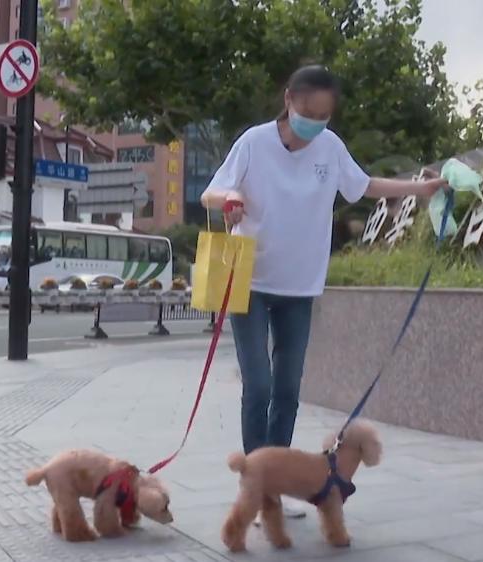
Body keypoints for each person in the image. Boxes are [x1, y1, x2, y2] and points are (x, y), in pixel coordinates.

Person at [200, 65, 447, 518]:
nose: (315, 123)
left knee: (289, 389)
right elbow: (212, 194)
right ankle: (256, 486)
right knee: (259, 385)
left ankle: (275, 480)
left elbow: (365, 185)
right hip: (249, 281)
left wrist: (421, 189)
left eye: (324, 116)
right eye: (308, 112)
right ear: (289, 99)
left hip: (299, 287)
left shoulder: (329, 148)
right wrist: (232, 200)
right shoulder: (254, 143)